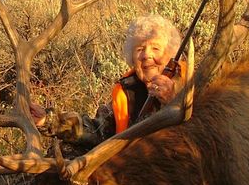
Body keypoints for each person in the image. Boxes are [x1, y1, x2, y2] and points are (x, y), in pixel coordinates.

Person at [31, 14, 187, 149]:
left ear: (171, 56)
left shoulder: (191, 85)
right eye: (139, 49)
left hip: (179, 170)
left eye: (155, 48)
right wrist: (51, 121)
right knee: (68, 150)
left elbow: (203, 134)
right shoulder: (127, 94)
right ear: (132, 59)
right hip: (134, 172)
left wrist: (173, 101)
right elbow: (97, 131)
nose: (146, 55)